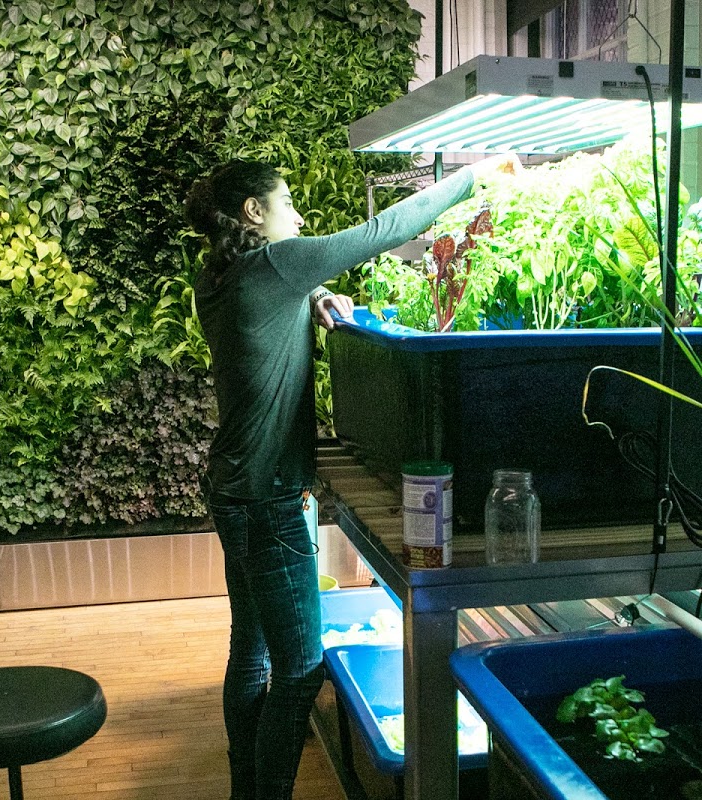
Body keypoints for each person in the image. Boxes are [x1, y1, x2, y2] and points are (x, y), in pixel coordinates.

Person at [182, 154, 518, 800]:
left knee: (249, 649)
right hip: (269, 499)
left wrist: (314, 295)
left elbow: (277, 294)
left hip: (232, 489)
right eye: (287, 203)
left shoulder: (217, 276)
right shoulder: (274, 266)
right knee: (302, 674)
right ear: (255, 214)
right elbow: (382, 232)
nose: (301, 217)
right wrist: (475, 175)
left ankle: (245, 788)